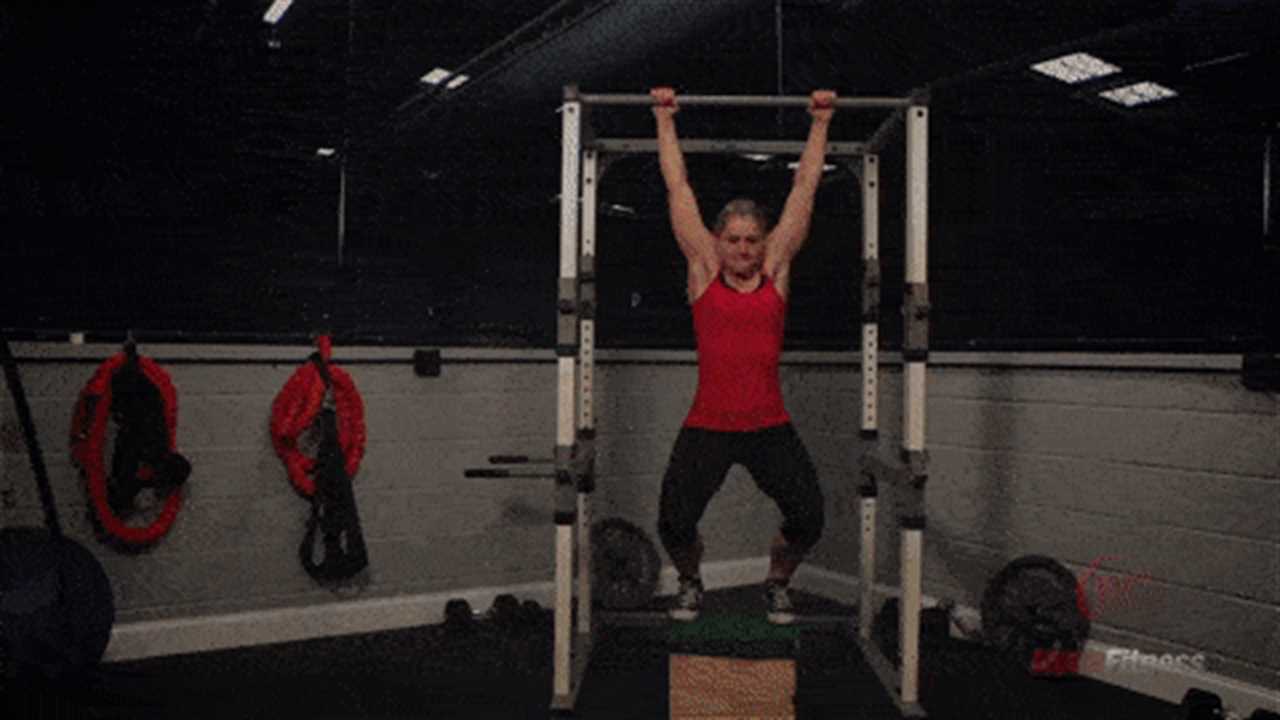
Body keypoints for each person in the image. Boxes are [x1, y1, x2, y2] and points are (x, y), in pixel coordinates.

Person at [651, 86, 834, 624]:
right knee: (673, 522)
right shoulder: (704, 270)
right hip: (708, 423)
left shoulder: (776, 269)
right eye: (733, 239)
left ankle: (777, 583)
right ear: (717, 240)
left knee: (810, 516)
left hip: (768, 424)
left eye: (752, 240)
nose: (744, 249)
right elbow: (677, 185)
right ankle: (690, 580)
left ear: (764, 241)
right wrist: (664, 118)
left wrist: (819, 122)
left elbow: (804, 187)